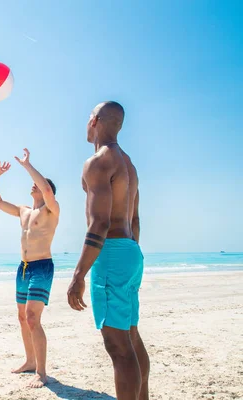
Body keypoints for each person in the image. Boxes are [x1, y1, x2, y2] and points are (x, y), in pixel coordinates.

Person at [67, 101, 149, 400]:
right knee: (131, 337)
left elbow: (99, 223)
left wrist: (78, 275)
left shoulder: (99, 162)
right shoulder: (129, 165)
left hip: (112, 251)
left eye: (89, 116)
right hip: (130, 250)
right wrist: (129, 255)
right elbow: (136, 220)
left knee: (118, 346)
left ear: (96, 121)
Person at [0, 148, 60, 388]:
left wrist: (27, 165)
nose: (33, 185)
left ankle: (42, 372)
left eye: (37, 184)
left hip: (42, 267)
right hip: (23, 268)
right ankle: (30, 361)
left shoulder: (51, 210)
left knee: (32, 317)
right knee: (22, 318)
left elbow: (48, 190)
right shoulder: (24, 211)